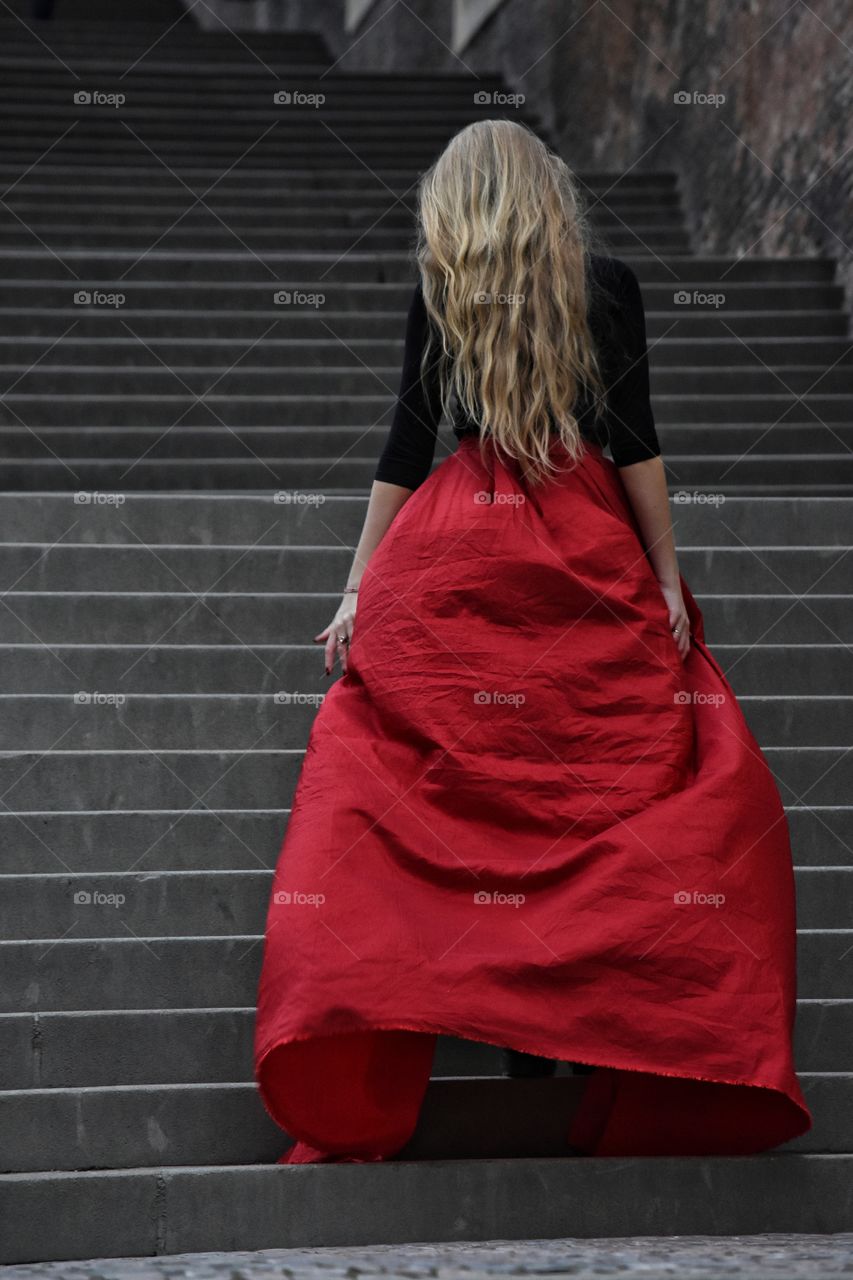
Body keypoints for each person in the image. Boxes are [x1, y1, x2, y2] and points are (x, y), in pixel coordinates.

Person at [254, 119, 811, 1164]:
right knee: (597, 804)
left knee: (459, 794)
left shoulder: (446, 285)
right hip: (584, 544)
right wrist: (659, 579)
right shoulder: (606, 283)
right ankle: (573, 1032)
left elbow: (408, 440)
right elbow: (635, 440)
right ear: (547, 190)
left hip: (459, 548)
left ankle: (490, 1020)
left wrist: (358, 584)